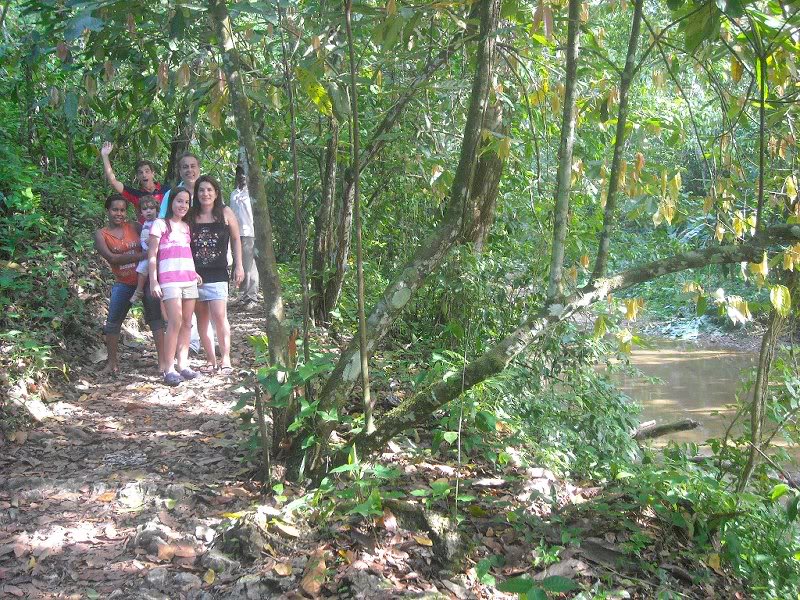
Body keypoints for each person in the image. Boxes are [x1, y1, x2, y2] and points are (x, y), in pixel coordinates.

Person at [94, 194, 165, 376]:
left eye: (122, 210)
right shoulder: (101, 234)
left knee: (156, 320)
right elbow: (112, 258)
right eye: (115, 209)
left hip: (147, 280)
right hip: (123, 282)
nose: (119, 213)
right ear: (108, 211)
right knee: (112, 322)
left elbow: (155, 240)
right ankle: (112, 363)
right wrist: (142, 256)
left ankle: (163, 362)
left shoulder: (134, 226)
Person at [190, 176, 244, 375]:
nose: (205, 194)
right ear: (196, 194)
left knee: (220, 316)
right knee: (201, 318)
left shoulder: (225, 212)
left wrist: (239, 266)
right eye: (201, 190)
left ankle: (226, 357)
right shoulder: (191, 215)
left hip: (219, 272)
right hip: (195, 274)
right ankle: (210, 359)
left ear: (216, 192)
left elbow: (237, 239)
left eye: (209, 190)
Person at [148, 188, 201, 386]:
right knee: (174, 322)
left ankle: (183, 365)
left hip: (189, 278)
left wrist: (194, 272)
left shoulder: (187, 227)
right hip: (170, 280)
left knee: (188, 322)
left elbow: (185, 253)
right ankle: (169, 368)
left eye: (186, 202)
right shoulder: (160, 225)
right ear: (171, 202)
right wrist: (154, 281)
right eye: (179, 201)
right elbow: (152, 255)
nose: (183, 206)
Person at [100, 142, 165, 223]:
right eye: (140, 173)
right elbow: (114, 182)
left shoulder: (166, 190)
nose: (144, 175)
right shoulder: (135, 194)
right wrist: (105, 155)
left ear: (153, 173)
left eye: (147, 171)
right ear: (137, 176)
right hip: (145, 233)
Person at [229, 165, 259, 309]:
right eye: (240, 174)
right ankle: (243, 296)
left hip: (249, 233)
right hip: (235, 233)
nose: (242, 176)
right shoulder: (234, 193)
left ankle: (252, 297)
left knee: (249, 266)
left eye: (244, 174)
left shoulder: (252, 194)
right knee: (238, 264)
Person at [129, 196, 159, 304]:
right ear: (141, 212)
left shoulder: (158, 222)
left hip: (153, 253)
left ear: (157, 209)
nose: (149, 211)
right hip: (145, 252)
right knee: (141, 269)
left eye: (151, 208)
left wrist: (151, 239)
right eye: (145, 209)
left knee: (142, 269)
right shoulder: (145, 223)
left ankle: (139, 290)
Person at [158, 152, 201, 218]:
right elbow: (162, 219)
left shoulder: (208, 193)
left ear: (199, 169)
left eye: (193, 166)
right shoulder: (170, 194)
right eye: (185, 167)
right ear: (180, 171)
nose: (189, 170)